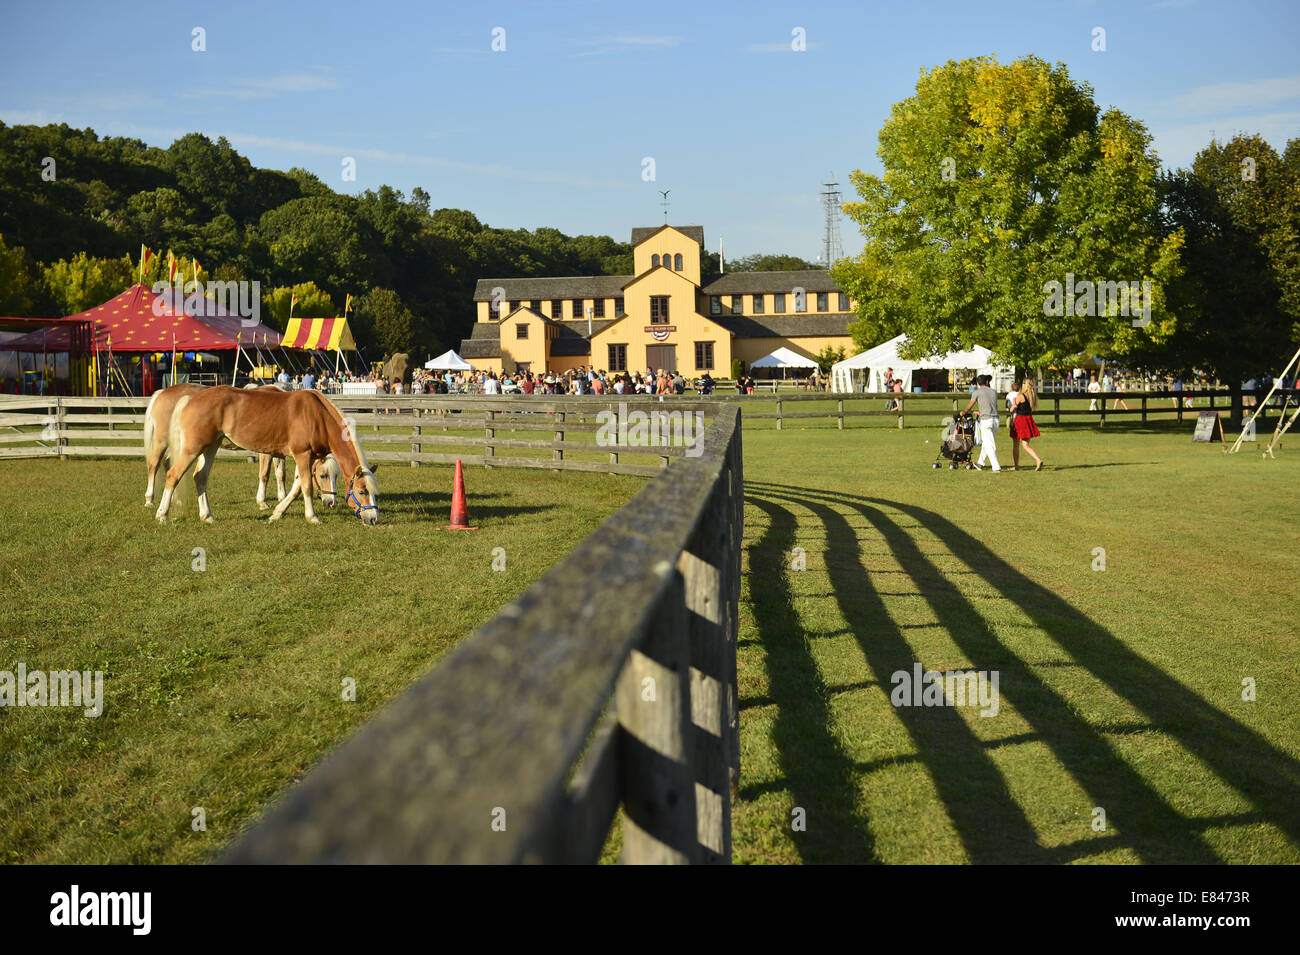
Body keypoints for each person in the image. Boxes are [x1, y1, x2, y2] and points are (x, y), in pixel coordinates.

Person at [962, 374, 1002, 472]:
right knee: (986, 442)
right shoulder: (993, 392)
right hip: (996, 419)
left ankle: (996, 466)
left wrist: (964, 412)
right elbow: (990, 406)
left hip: (986, 420)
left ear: (978, 383)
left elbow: (970, 405)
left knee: (989, 444)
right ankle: (980, 463)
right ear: (987, 381)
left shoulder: (977, 392)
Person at [1008, 379, 1044, 471]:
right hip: (1028, 420)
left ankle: (1016, 466)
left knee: (1016, 444)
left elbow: (1012, 409)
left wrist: (1013, 403)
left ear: (1025, 385)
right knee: (1026, 445)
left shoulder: (1021, 396)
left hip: (1020, 421)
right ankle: (1037, 459)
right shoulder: (1032, 396)